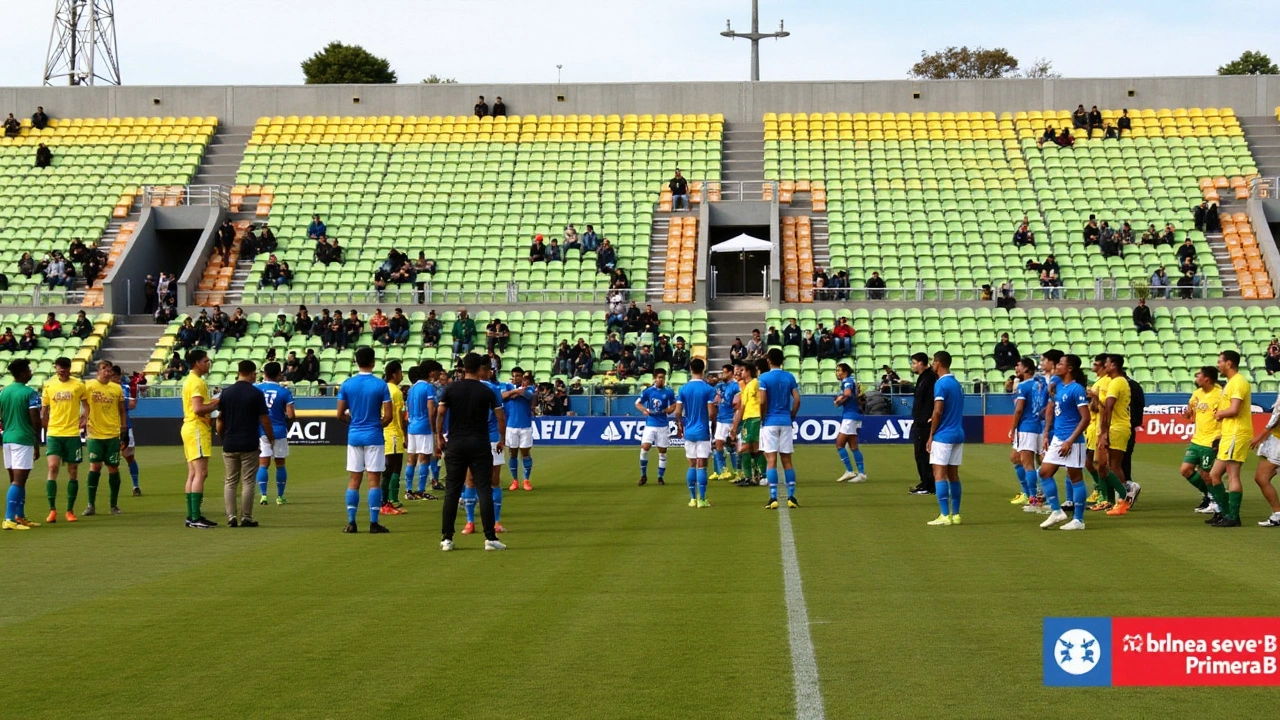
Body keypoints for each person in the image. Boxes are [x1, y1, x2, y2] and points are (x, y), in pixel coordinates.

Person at [435, 352, 506, 552]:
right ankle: (490, 538)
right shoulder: (487, 391)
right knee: (484, 489)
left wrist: (439, 437)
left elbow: (440, 413)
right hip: (480, 442)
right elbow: (500, 417)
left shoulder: (450, 389)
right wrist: (502, 439)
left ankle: (447, 538)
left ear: (463, 367)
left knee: (452, 490)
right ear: (480, 369)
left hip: (456, 443)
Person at [336, 346, 393, 534]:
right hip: (374, 436)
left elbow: (339, 414)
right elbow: (388, 416)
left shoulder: (347, 384)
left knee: (354, 479)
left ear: (356, 361)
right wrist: (378, 425)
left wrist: (351, 422)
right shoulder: (380, 385)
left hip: (354, 435)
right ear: (373, 362)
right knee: (374, 480)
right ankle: (373, 523)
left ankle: (351, 522)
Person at [1035, 354, 1091, 530]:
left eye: (1060, 363)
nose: (1057, 365)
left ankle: (1079, 520)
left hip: (1071, 441)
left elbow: (1086, 418)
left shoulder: (1076, 389)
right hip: (1058, 438)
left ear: (1069, 369)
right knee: (1044, 472)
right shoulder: (1060, 386)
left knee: (1075, 478)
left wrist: (1070, 441)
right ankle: (1057, 511)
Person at [217, 360, 272, 528]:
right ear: (252, 373)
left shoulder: (226, 393)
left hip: (230, 442)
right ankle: (246, 517)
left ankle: (231, 516)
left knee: (230, 481)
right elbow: (264, 419)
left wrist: (223, 437)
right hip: (249, 442)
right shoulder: (255, 394)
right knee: (248, 481)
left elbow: (220, 420)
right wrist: (271, 437)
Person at [39, 356, 89, 525]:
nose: (62, 369)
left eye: (65, 367)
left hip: (72, 434)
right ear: (56, 367)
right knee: (52, 467)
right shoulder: (48, 385)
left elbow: (86, 404)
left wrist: (85, 416)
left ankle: (69, 510)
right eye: (60, 367)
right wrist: (43, 421)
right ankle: (52, 510)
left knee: (72, 472)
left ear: (70, 368)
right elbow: (44, 408)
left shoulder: (78, 385)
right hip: (54, 432)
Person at [1205, 350, 1252, 527]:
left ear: (1229, 363)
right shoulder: (1231, 383)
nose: (1218, 365)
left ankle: (1233, 516)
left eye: (1220, 361)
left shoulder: (1238, 382)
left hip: (1237, 433)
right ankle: (1225, 512)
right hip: (1229, 433)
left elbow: (1234, 409)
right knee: (1214, 475)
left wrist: (1219, 414)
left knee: (1233, 475)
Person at [81, 360, 127, 518]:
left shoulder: (116, 388)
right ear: (98, 372)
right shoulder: (89, 386)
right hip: (94, 434)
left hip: (113, 434)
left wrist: (124, 429)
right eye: (104, 369)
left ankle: (113, 505)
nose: (107, 372)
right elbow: (82, 402)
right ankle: (90, 504)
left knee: (113, 468)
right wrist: (84, 417)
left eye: (109, 370)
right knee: (95, 467)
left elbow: (122, 410)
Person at [179, 350, 219, 528]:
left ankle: (191, 515)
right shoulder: (197, 382)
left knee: (194, 473)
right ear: (197, 363)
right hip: (196, 427)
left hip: (189, 427)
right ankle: (195, 517)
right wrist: (218, 401)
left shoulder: (189, 380)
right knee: (201, 473)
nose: (208, 364)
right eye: (205, 361)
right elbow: (198, 408)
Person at [1, 359, 42, 530]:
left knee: (16, 480)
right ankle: (9, 518)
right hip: (23, 439)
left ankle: (20, 516)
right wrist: (37, 442)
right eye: (29, 369)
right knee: (19, 480)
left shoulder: (4, 392)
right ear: (23, 373)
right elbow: (35, 419)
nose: (31, 372)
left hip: (8, 438)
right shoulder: (30, 393)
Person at [925, 351, 964, 525]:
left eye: (934, 362)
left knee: (939, 474)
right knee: (953, 475)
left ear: (938, 363)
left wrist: (931, 435)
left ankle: (944, 515)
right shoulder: (957, 384)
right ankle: (956, 514)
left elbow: (938, 410)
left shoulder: (941, 384)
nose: (933, 365)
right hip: (958, 432)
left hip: (944, 435)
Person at [759, 348, 801, 509]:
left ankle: (773, 497)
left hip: (770, 422)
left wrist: (763, 417)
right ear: (782, 360)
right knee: (787, 461)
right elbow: (797, 399)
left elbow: (763, 401)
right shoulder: (789, 377)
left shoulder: (764, 377)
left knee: (771, 461)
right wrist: (791, 416)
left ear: (768, 361)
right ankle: (791, 497)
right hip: (785, 421)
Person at [674, 359, 717, 508]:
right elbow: (711, 413)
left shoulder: (683, 389)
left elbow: (677, 412)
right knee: (702, 465)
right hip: (702, 431)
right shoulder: (708, 389)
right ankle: (702, 499)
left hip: (689, 432)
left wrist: (681, 424)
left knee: (691, 465)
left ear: (690, 369)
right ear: (703, 370)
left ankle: (692, 498)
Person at [1181, 366, 1223, 515]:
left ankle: (1215, 501)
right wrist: (1187, 413)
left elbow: (1223, 416)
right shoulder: (1197, 393)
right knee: (1185, 470)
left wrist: (1220, 438)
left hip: (1211, 440)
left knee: (1206, 474)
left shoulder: (1219, 395)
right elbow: (1190, 407)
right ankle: (1210, 496)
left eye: (1198, 375)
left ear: (1207, 379)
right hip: (1197, 439)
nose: (1196, 377)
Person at [254, 362, 294, 506]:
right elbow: (290, 415)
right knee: (280, 464)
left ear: (264, 374)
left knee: (263, 464)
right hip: (279, 431)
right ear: (279, 374)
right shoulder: (284, 392)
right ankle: (280, 496)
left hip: (262, 431)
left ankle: (263, 495)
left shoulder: (256, 389)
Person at [405, 361, 443, 499]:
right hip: (424, 426)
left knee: (411, 459)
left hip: (412, 427)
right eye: (438, 372)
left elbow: (408, 409)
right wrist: (434, 429)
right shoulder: (428, 387)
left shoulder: (412, 388)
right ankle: (421, 490)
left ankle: (409, 490)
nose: (439, 375)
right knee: (424, 458)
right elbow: (431, 409)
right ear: (431, 372)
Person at [636, 369, 676, 486]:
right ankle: (643, 475)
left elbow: (674, 404)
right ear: (654, 378)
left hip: (663, 424)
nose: (661, 380)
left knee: (662, 451)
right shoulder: (648, 391)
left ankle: (660, 477)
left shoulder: (668, 391)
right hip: (651, 424)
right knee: (645, 447)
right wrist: (645, 410)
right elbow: (638, 403)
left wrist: (670, 409)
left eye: (663, 377)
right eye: (659, 377)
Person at [731, 361, 765, 487]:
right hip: (747, 419)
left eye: (743, 370)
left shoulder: (756, 383)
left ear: (749, 371)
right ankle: (751, 476)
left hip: (755, 418)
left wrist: (762, 416)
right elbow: (742, 407)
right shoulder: (746, 387)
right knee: (749, 448)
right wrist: (735, 426)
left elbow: (762, 400)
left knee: (751, 448)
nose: (740, 372)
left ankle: (758, 475)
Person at [502, 367, 537, 492]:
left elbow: (528, 395)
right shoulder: (506, 386)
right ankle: (515, 480)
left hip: (525, 425)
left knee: (525, 452)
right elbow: (502, 396)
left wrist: (516, 392)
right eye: (514, 375)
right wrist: (514, 392)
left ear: (522, 377)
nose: (516, 377)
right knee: (513, 453)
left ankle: (526, 480)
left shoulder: (530, 388)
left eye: (518, 376)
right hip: (511, 425)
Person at [833, 363, 866, 483]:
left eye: (839, 370)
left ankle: (850, 471)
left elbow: (847, 393)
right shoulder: (852, 381)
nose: (837, 373)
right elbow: (853, 396)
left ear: (845, 372)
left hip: (850, 417)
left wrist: (838, 400)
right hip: (856, 415)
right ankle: (861, 474)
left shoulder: (847, 381)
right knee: (853, 446)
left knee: (839, 444)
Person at [1250, 395, 1280, 527]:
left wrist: (1260, 436)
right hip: (1275, 438)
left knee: (1261, 477)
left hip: (1278, 442)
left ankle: (1278, 514)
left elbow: (1277, 416)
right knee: (1262, 477)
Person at [710, 365, 741, 482]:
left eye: (724, 372)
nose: (722, 375)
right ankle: (724, 470)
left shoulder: (735, 386)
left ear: (731, 373)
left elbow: (737, 403)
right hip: (720, 419)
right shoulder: (720, 386)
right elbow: (714, 397)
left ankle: (738, 472)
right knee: (718, 444)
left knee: (732, 446)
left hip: (730, 419)